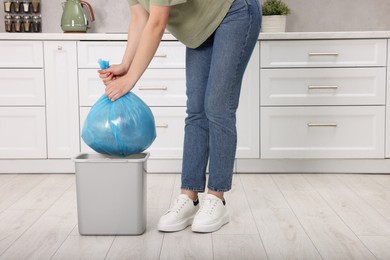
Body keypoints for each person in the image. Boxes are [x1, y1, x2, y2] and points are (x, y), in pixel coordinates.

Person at [99, 0, 261, 233]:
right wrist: (126, 64)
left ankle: (217, 197)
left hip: (233, 11)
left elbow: (157, 22)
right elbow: (139, 17)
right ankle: (190, 195)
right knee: (196, 110)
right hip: (200, 27)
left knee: (217, 107)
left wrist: (130, 79)